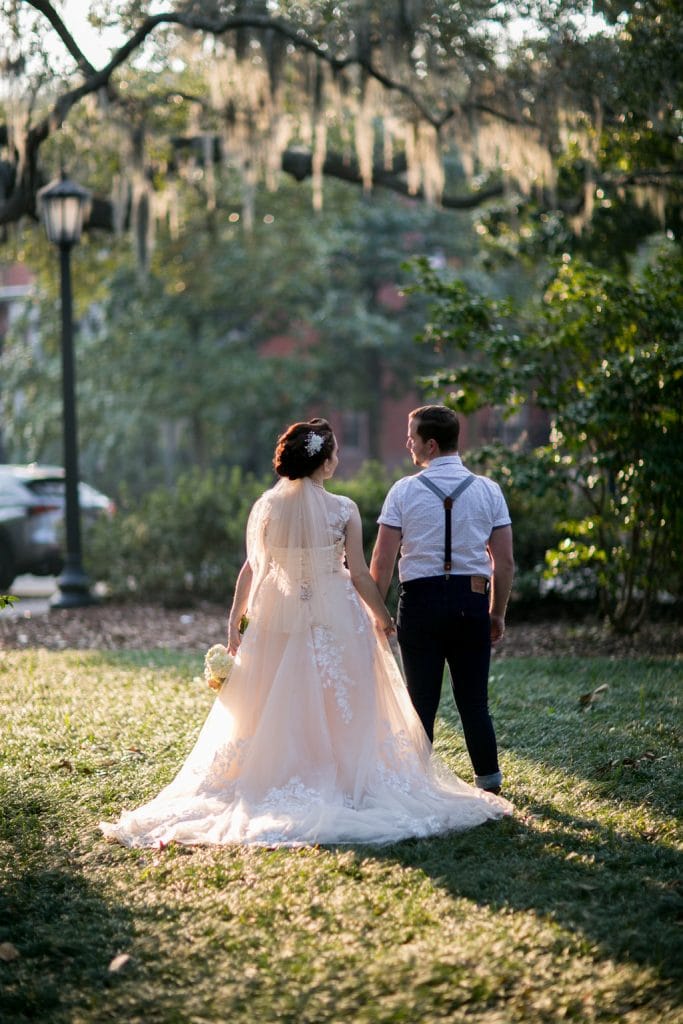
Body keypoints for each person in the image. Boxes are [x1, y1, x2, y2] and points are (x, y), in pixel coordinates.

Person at [100, 418, 510, 848]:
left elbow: (252, 569)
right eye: (333, 453)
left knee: (279, 698)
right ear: (324, 459)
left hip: (277, 616)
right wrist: (381, 614)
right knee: (344, 700)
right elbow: (356, 574)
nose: (336, 460)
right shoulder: (343, 509)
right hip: (337, 615)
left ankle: (281, 771)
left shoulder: (267, 507)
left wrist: (235, 619)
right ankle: (346, 772)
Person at [370, 405, 514, 795]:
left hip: (419, 603)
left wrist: (376, 613)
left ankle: (419, 785)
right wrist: (496, 613)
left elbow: (382, 562)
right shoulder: (489, 490)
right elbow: (504, 563)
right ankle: (489, 778)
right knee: (474, 700)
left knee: (420, 702)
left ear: (430, 445)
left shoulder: (403, 490)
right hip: (472, 602)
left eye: (412, 437)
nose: (407, 443)